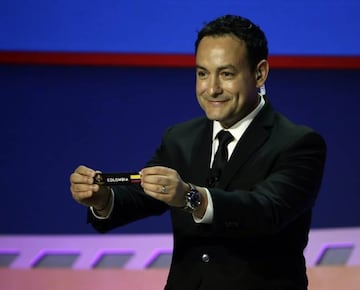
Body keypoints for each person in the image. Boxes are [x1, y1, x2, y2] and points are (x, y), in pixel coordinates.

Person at [70, 14, 326, 290]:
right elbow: (143, 195)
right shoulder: (181, 138)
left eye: (226, 74)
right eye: (202, 73)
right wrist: (103, 199)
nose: (212, 89)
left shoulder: (298, 143)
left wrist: (192, 197)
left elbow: (266, 212)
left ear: (260, 73)